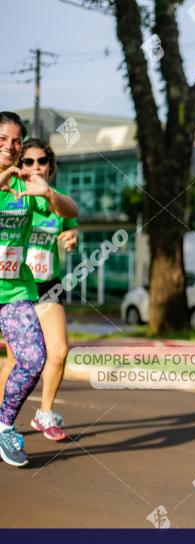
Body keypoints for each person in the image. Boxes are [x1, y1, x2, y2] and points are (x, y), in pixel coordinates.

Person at [0, 111, 78, 466]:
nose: (12, 147)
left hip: (19, 290)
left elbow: (69, 210)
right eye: (4, 140)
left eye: (16, 140)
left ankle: (6, 426)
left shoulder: (28, 188)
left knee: (36, 357)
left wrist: (47, 193)